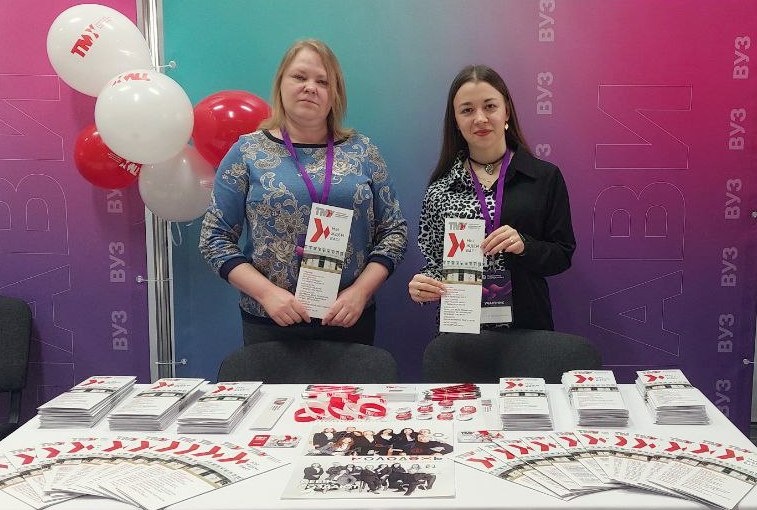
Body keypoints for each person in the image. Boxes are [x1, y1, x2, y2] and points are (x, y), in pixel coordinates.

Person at [200, 39, 407, 345]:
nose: (310, 87)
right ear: (280, 84)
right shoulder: (246, 152)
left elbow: (394, 232)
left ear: (335, 95)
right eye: (299, 77)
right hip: (270, 321)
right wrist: (266, 294)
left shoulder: (363, 151)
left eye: (323, 82)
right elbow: (214, 239)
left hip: (348, 318)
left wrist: (361, 292)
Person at [408, 64, 575, 330]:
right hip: (461, 332)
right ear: (455, 121)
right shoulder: (440, 190)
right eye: (467, 110)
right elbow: (435, 264)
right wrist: (423, 286)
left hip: (526, 329)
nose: (480, 118)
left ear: (506, 110)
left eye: (490, 106)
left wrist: (525, 245)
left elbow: (562, 255)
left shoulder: (544, 178)